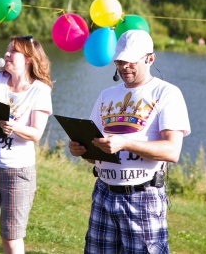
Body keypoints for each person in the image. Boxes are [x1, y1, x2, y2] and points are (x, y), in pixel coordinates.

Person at [68, 30, 190, 253]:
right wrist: (82, 149)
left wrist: (125, 143)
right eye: (120, 61)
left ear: (150, 59)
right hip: (103, 192)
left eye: (131, 61)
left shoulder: (167, 93)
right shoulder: (106, 94)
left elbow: (172, 151)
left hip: (142, 196)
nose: (124, 67)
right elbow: (95, 152)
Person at [0, 35, 53, 254]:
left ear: (28, 58)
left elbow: (36, 133)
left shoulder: (40, 90)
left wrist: (13, 127)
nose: (6, 54)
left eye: (13, 51)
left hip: (17, 172)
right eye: (6, 50)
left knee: (10, 237)